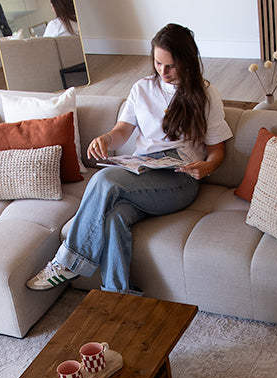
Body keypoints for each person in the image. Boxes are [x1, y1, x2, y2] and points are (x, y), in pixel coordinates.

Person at [26, 23, 232, 294]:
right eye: (158, 63)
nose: (163, 72)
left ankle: (68, 262)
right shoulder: (142, 88)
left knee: (104, 180)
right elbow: (122, 132)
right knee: (114, 217)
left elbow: (218, 150)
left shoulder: (206, 95)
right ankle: (119, 296)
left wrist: (207, 166)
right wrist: (106, 140)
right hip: (143, 171)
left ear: (188, 62)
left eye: (171, 66)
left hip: (180, 179)